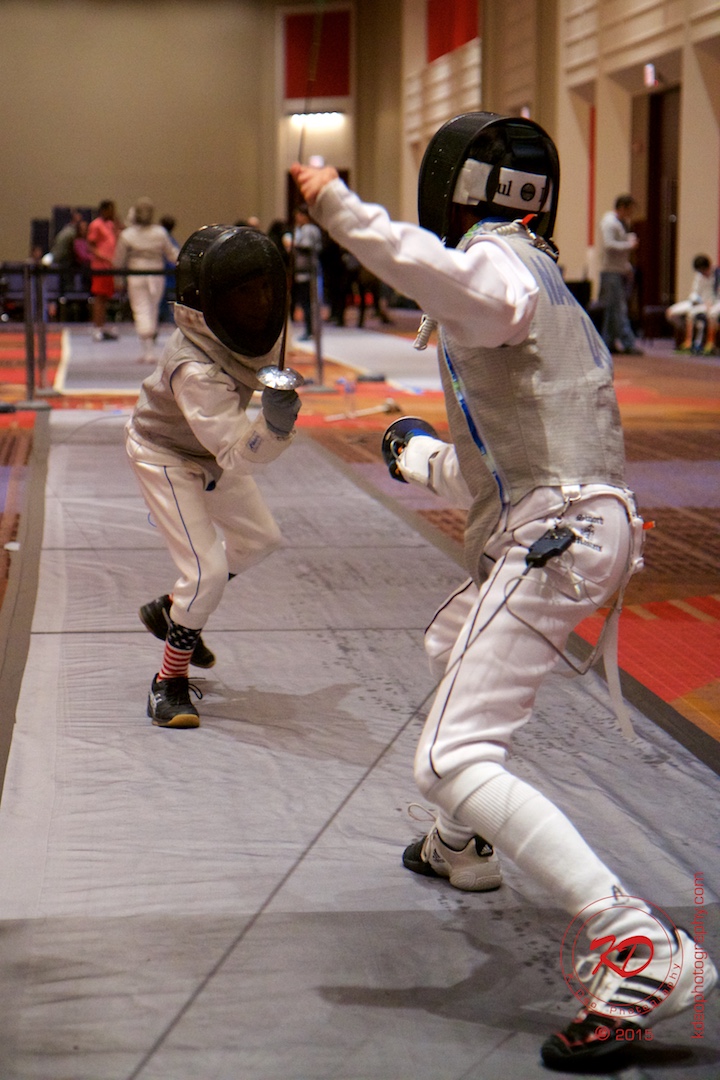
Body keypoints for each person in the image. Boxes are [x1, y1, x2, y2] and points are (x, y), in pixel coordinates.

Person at [291, 112, 716, 1068]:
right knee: (450, 644)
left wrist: (339, 207)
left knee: (449, 757)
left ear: (458, 191)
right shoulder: (539, 281)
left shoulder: (499, 268)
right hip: (572, 521)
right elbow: (503, 466)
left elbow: (434, 272)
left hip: (557, 536)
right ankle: (462, 845)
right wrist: (416, 456)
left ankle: (640, 946)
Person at [125, 224, 301, 728]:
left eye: (264, 288)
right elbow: (235, 453)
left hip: (209, 451)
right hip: (164, 453)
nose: (260, 302)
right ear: (214, 301)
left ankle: (171, 610)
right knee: (204, 572)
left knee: (261, 539)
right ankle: (168, 681)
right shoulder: (195, 369)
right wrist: (274, 427)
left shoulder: (246, 333)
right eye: (245, 292)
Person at [114, 197, 178, 362]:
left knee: (142, 309)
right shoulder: (159, 233)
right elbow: (172, 254)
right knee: (151, 309)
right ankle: (148, 349)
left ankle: (148, 349)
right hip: (155, 275)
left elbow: (118, 261)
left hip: (137, 275)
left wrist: (117, 278)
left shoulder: (128, 235)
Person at [598, 194, 642, 355]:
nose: (631, 213)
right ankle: (628, 343)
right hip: (610, 271)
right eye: (630, 210)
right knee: (618, 308)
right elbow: (609, 245)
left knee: (611, 309)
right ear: (622, 207)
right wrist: (628, 245)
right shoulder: (610, 223)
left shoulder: (621, 223)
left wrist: (626, 266)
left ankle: (608, 342)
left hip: (617, 270)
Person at [665, 253, 719, 353]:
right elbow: (695, 292)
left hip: (715, 303)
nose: (702, 273)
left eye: (703, 270)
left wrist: (710, 303)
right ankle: (688, 339)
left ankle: (710, 343)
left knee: (711, 314)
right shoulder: (699, 276)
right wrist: (697, 301)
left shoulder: (717, 274)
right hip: (699, 302)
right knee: (671, 312)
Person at [87, 200, 121, 341]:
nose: (113, 212)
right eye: (111, 209)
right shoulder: (96, 225)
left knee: (106, 298)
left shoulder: (111, 225)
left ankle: (102, 326)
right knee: (99, 298)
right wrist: (104, 258)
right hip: (100, 267)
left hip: (110, 267)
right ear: (104, 210)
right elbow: (91, 246)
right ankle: (97, 327)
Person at [288, 204, 322, 340]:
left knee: (307, 303)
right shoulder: (304, 229)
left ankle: (309, 330)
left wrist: (293, 245)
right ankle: (309, 329)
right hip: (304, 271)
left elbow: (307, 247)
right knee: (306, 302)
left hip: (307, 271)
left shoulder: (309, 229)